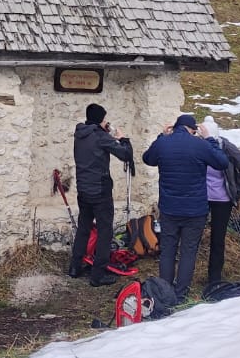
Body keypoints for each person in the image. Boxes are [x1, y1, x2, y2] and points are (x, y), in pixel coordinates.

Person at [142, 114, 228, 303]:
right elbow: (222, 162)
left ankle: (164, 292)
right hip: (195, 210)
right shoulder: (200, 145)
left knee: (168, 250)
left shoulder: (163, 143)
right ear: (193, 129)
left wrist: (161, 136)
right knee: (188, 251)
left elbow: (148, 158)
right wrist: (210, 139)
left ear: (175, 127)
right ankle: (181, 295)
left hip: (169, 208)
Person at [69, 103, 134, 287]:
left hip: (83, 189)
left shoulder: (80, 134)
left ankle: (74, 267)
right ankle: (98, 275)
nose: (106, 122)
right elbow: (125, 154)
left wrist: (104, 131)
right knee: (105, 231)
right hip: (100, 191)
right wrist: (123, 139)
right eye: (104, 119)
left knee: (83, 228)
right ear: (100, 120)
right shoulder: (100, 136)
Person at [199, 118, 240, 288]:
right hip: (201, 198)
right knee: (194, 238)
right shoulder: (198, 147)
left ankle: (214, 279)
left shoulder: (227, 148)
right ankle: (188, 276)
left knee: (218, 239)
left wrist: (237, 192)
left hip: (223, 200)